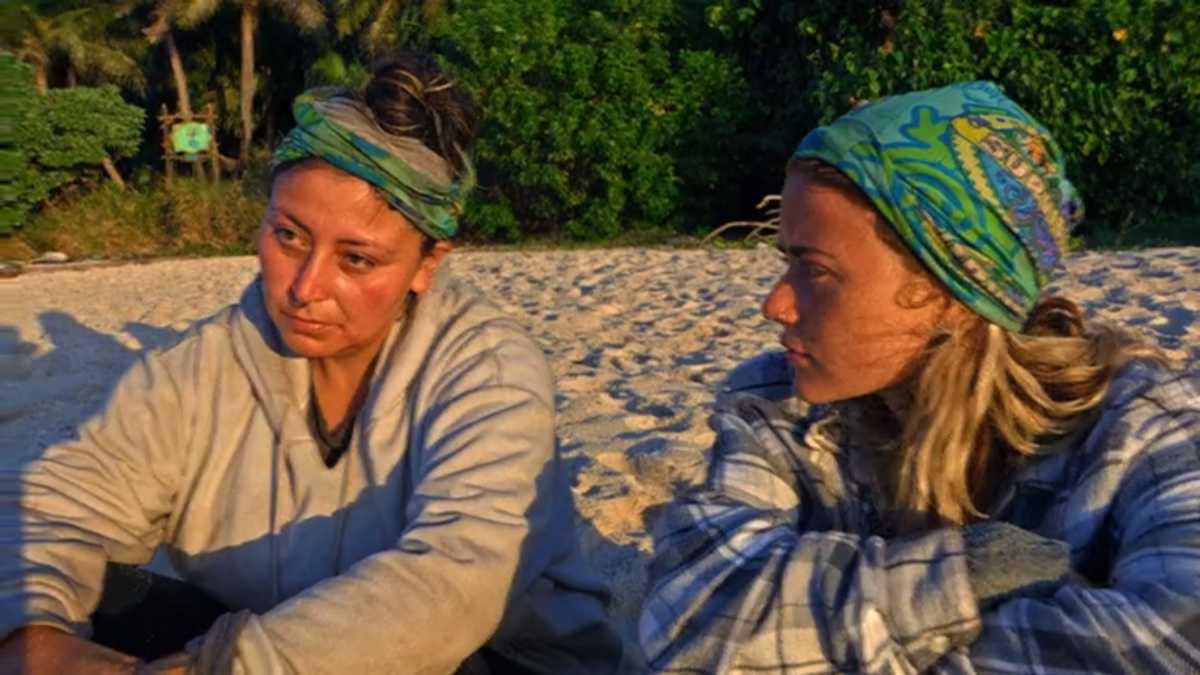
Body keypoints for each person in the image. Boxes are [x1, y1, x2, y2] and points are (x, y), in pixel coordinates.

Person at [0, 54, 635, 674]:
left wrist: (218, 666)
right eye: (289, 237)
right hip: (258, 636)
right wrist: (30, 636)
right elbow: (55, 507)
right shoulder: (204, 366)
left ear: (426, 265)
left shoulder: (488, 373)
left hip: (488, 658)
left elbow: (454, 581)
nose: (305, 287)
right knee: (77, 591)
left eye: (357, 260)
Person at [638, 80, 1200, 673]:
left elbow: (1175, 641)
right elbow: (687, 614)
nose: (775, 305)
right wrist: (957, 581)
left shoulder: (1138, 427)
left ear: (952, 294)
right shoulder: (781, 406)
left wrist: (821, 640)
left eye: (815, 270)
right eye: (786, 262)